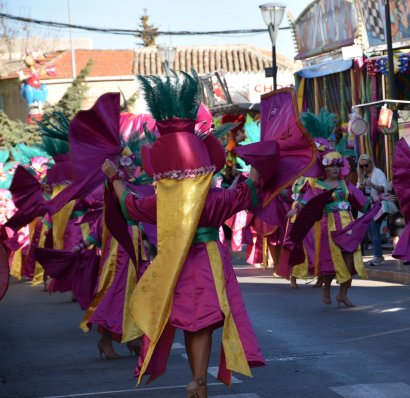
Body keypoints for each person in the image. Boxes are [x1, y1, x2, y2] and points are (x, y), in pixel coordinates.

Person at [104, 72, 265, 398]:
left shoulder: (160, 201)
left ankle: (198, 379)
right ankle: (198, 379)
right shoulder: (214, 199)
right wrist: (263, 159)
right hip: (207, 262)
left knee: (194, 324)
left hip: (174, 266)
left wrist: (114, 178)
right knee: (200, 323)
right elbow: (249, 189)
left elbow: (129, 205)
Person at [288, 145, 393, 307]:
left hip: (348, 228)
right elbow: (306, 203)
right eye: (332, 166)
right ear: (325, 168)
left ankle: (343, 294)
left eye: (337, 166)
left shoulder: (345, 185)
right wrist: (296, 209)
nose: (335, 169)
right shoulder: (318, 187)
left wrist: (379, 198)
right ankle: (326, 288)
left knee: (351, 261)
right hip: (328, 228)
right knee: (331, 261)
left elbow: (363, 204)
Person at [356, 153, 387, 266]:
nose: (364, 168)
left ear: (371, 163)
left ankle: (378, 256)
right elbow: (357, 192)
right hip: (367, 207)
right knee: (370, 231)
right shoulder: (361, 176)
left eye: (366, 165)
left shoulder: (377, 173)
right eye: (361, 166)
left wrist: (372, 185)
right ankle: (377, 255)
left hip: (378, 206)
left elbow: (384, 188)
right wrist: (360, 188)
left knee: (374, 230)